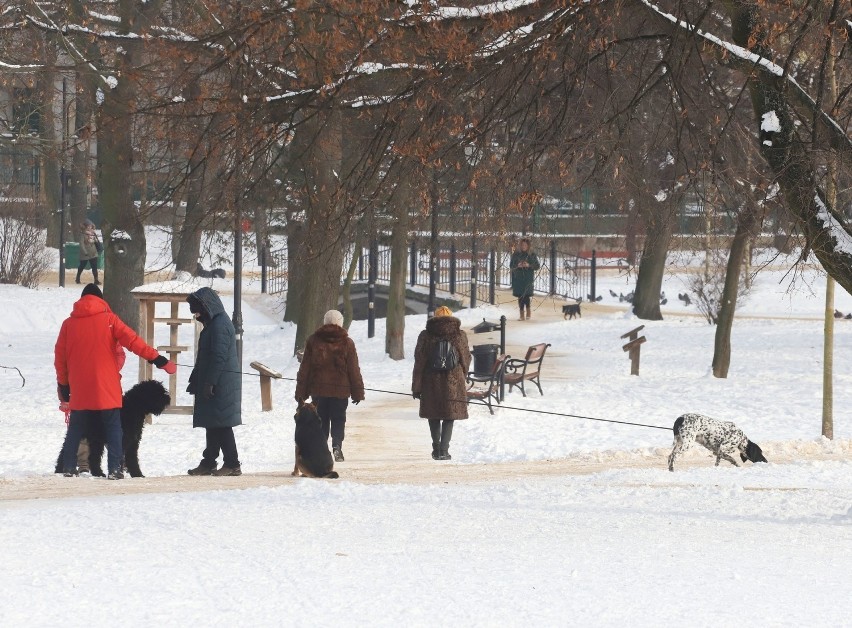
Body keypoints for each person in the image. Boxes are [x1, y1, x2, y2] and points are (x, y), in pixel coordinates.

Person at [54, 283, 176, 479]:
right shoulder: (109, 320)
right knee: (113, 428)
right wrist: (158, 359)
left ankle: (68, 467)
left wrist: (64, 387)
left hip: (80, 388)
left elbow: (60, 360)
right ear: (101, 300)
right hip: (106, 387)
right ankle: (115, 469)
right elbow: (133, 341)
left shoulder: (68, 324)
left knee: (76, 427)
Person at [186, 287, 243, 476]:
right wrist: (196, 378)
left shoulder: (219, 325)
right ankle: (209, 461)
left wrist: (210, 382)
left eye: (198, 311)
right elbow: (205, 357)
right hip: (217, 380)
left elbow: (218, 357)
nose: (196, 315)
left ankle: (232, 463)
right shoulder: (214, 324)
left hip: (221, 382)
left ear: (207, 307)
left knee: (221, 423)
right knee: (213, 422)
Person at [295, 309, 365, 462]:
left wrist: (301, 392)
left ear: (325, 322)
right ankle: (337, 445)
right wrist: (357, 392)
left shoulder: (313, 341)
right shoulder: (347, 342)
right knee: (339, 419)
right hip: (340, 391)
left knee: (321, 420)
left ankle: (323, 448)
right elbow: (353, 369)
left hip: (319, 391)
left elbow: (305, 368)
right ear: (340, 323)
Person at [411, 305, 472, 460]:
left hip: (431, 380)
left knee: (434, 415)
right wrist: (462, 375)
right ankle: (444, 450)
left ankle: (436, 449)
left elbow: (419, 361)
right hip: (453, 379)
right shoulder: (459, 335)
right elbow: (466, 358)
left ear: (434, 317)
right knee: (449, 415)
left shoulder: (425, 335)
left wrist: (416, 386)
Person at [510, 237, 540, 320]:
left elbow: (537, 265)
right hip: (518, 278)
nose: (523, 246)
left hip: (528, 278)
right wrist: (517, 265)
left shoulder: (532, 255)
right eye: (522, 245)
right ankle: (521, 314)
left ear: (528, 246)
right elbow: (511, 265)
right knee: (520, 296)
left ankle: (528, 311)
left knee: (526, 295)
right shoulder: (516, 254)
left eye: (525, 245)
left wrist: (529, 265)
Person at [75, 220, 101, 285]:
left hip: (93, 253)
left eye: (90, 226)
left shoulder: (93, 233)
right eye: (88, 226)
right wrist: (85, 252)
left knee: (94, 267)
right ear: (85, 226)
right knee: (82, 266)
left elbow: (96, 242)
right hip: (85, 254)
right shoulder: (82, 234)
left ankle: (96, 280)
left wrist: (95, 239)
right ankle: (77, 278)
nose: (89, 227)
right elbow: (81, 244)